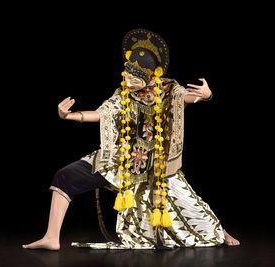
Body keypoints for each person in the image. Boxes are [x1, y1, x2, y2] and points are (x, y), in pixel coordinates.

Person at [22, 29, 240, 250]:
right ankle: (51, 237)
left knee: (188, 206)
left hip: (156, 166)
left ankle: (219, 231)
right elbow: (102, 113)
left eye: (133, 78)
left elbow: (186, 97)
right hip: (123, 160)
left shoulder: (168, 91)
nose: (127, 80)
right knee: (64, 176)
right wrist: (69, 116)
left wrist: (206, 96)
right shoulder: (124, 94)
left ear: (150, 78)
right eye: (126, 75)